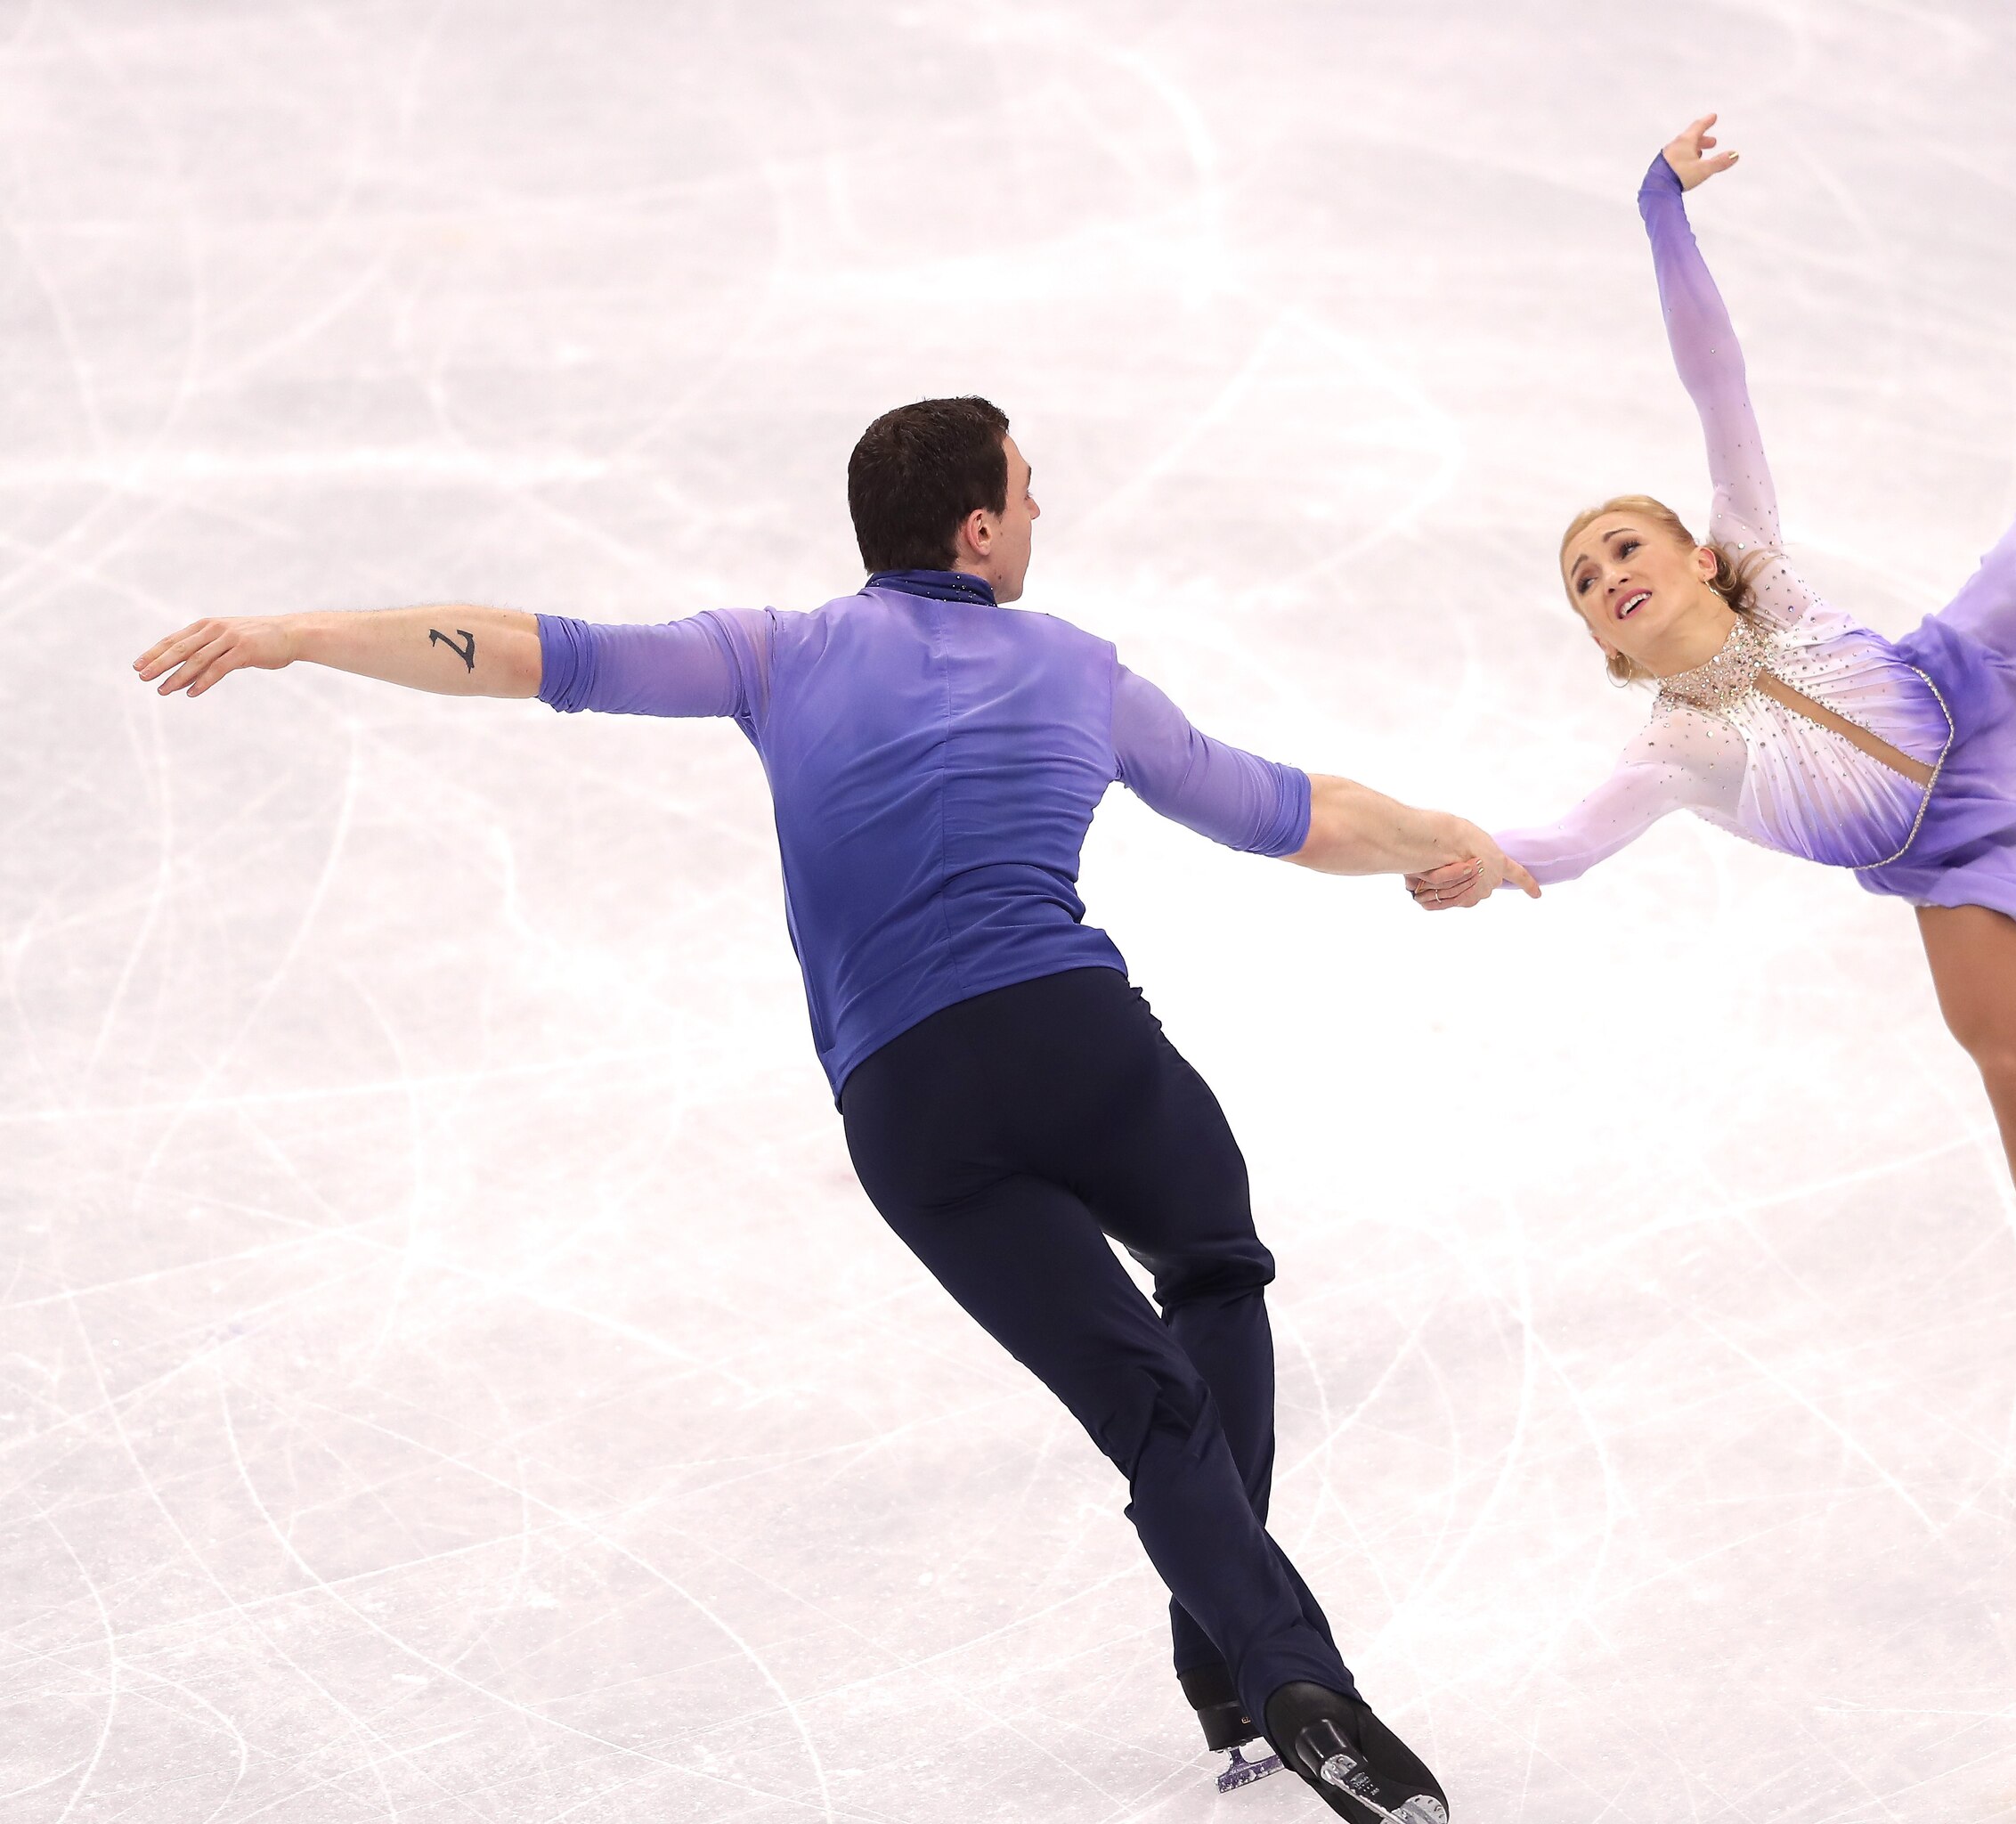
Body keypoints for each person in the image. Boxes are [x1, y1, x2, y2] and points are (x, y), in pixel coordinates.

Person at [133, 396, 1506, 1823]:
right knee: (1214, 1271)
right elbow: (1286, 812)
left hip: (910, 1110)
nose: (1041, 516)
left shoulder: (771, 655)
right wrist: (1448, 843)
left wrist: (299, 635)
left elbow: (528, 652)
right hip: (1080, 1048)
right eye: (1028, 495)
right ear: (977, 529)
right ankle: (1248, 1664)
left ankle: (1274, 1673)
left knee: (1136, 1398)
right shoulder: (1079, 672)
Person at [1411, 46, 2016, 1511]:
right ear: (1603, 643)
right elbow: (1565, 837)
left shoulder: (1763, 563)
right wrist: (1488, 856)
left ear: (1695, 554)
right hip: (1943, 858)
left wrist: (1661, 209)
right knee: (2014, 1073)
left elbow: (1710, 369)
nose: (1609, 574)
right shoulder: (1668, 752)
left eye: (1625, 546)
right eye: (1585, 579)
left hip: (1955, 673)